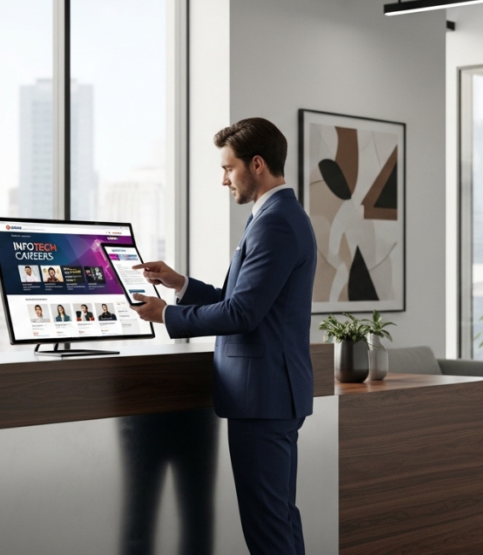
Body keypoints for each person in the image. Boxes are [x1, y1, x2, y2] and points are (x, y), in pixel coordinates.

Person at [131, 118, 316, 555]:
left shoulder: (275, 222)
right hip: (271, 393)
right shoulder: (277, 216)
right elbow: (243, 299)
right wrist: (180, 284)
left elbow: (242, 313)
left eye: (228, 168)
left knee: (268, 526)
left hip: (263, 396)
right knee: (280, 518)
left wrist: (168, 316)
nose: (223, 179)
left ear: (256, 164)